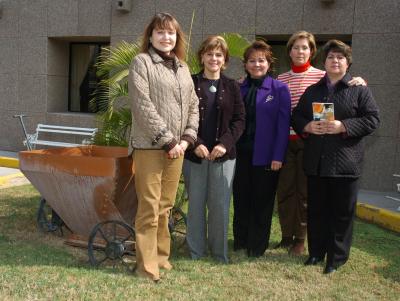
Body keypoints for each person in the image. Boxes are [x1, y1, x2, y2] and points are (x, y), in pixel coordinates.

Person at [292, 39, 379, 274]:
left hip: (345, 163)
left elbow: (372, 119)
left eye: (340, 57)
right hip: (317, 163)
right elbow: (297, 116)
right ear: (324, 62)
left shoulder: (358, 90)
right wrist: (308, 126)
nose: (335, 61)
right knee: (317, 211)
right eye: (331, 57)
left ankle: (337, 258)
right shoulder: (313, 90)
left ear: (347, 63)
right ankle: (316, 253)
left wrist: (344, 126)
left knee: (341, 213)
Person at [276, 31, 367, 255]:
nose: (300, 51)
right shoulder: (281, 79)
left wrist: (360, 81)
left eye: (305, 47)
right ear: (289, 51)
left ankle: (301, 239)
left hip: (315, 144)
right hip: (286, 141)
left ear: (313, 52)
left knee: (306, 194)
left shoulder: (321, 76)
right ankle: (287, 235)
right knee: (286, 191)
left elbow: (344, 84)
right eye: (296, 47)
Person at [128, 12, 199, 282]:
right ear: (150, 35)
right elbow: (142, 106)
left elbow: (193, 105)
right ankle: (146, 267)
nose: (166, 37)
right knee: (149, 205)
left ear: (176, 37)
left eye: (170, 32)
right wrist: (168, 140)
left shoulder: (181, 67)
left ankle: (161, 257)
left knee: (166, 205)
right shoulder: (141, 62)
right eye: (160, 32)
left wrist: (185, 140)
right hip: (150, 147)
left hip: (178, 149)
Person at [183, 36, 245, 263]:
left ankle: (219, 253)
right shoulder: (189, 83)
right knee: (196, 205)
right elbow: (181, 118)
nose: (214, 58)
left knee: (220, 206)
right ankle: (196, 252)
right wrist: (195, 142)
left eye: (219, 54)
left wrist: (223, 144)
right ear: (202, 57)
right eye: (209, 54)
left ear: (225, 60)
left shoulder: (233, 87)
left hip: (224, 157)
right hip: (194, 155)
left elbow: (239, 120)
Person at [233, 40, 291, 257]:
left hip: (267, 157)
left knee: (262, 202)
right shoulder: (237, 87)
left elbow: (283, 126)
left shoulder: (280, 89)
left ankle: (257, 246)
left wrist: (278, 156)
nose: (256, 64)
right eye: (251, 61)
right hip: (239, 155)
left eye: (261, 60)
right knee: (241, 200)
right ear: (245, 64)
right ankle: (240, 242)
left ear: (269, 63)